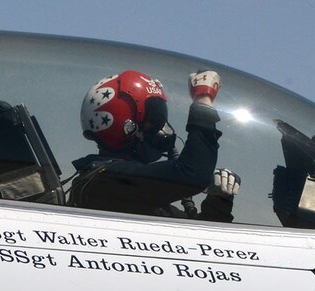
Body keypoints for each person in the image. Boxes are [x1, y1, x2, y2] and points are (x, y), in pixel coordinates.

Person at [69, 67, 239, 220]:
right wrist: (203, 99)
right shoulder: (105, 182)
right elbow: (192, 174)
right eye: (153, 121)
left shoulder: (137, 195)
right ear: (125, 125)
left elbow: (198, 239)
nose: (163, 129)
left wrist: (219, 201)